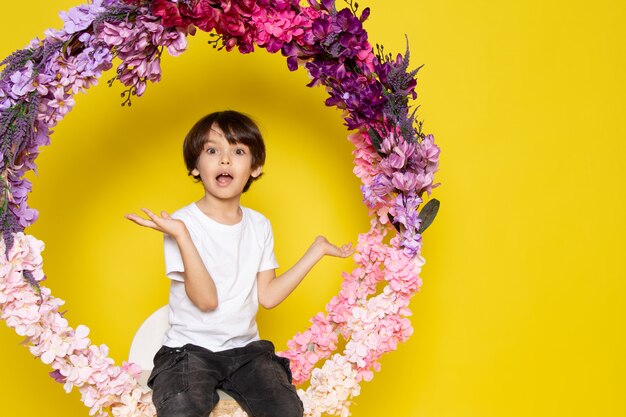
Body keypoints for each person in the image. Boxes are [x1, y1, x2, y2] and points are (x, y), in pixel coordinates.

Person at [125, 110, 353, 417]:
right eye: (212, 150)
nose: (224, 160)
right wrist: (181, 235)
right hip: (188, 352)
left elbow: (268, 297)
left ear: (255, 167)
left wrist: (316, 251)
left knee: (286, 410)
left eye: (238, 151)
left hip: (246, 352)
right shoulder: (180, 224)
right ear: (195, 166)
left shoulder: (259, 225)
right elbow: (206, 301)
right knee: (180, 407)